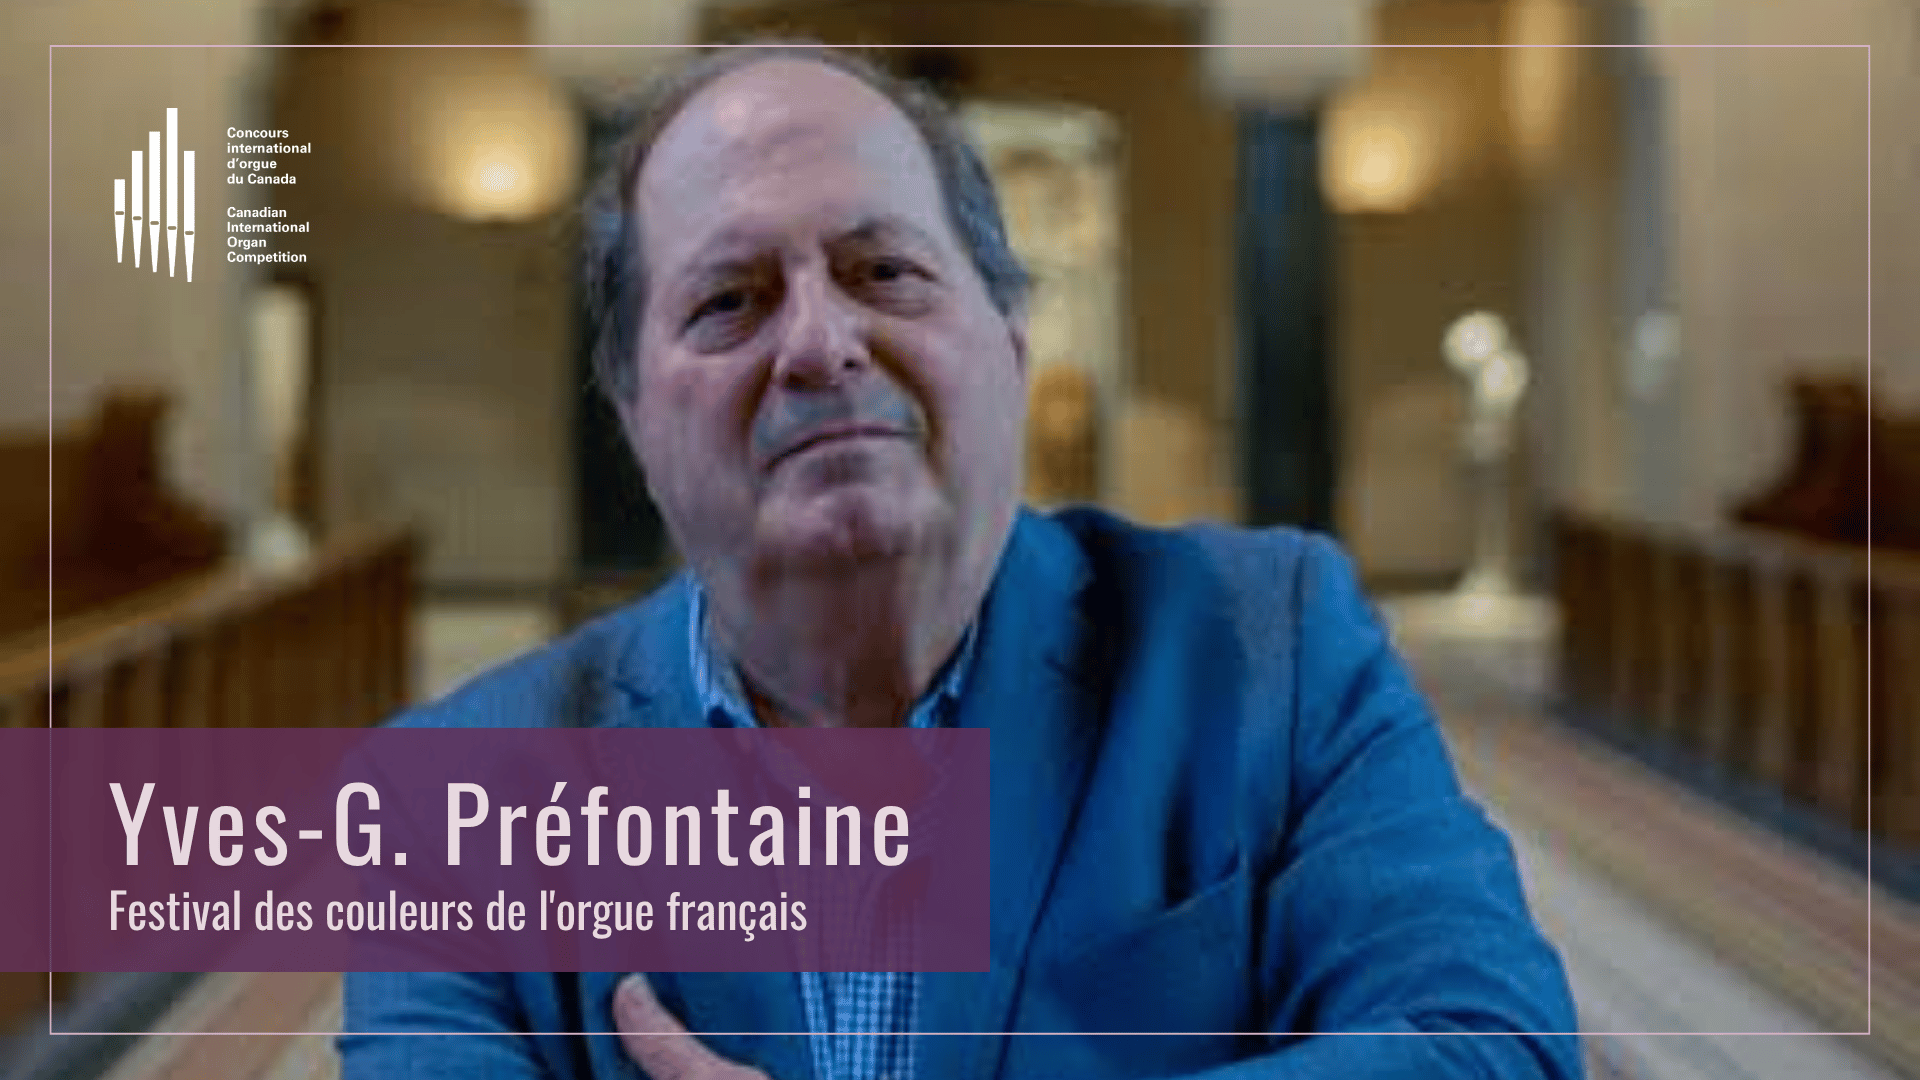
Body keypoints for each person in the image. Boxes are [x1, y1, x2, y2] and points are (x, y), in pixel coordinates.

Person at [340, 44, 1582, 1080]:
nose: (820, 345)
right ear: (631, 415)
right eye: (730, 300)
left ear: (1011, 340)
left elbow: (1490, 1048)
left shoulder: (1275, 650)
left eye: (885, 272)